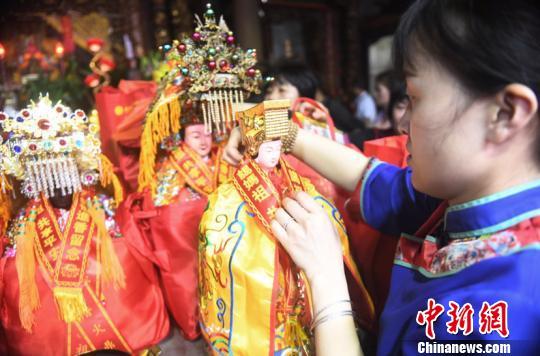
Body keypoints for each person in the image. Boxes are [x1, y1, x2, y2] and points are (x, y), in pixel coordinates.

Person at [223, 0, 540, 355]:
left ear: (505, 114)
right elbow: (370, 178)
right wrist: (278, 129)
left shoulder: (514, 299)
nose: (403, 125)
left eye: (415, 99)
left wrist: (326, 277)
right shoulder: (457, 200)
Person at [127, 3, 262, 341]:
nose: (203, 140)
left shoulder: (223, 150)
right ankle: (195, 320)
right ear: (181, 136)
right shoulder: (173, 163)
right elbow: (163, 204)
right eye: (194, 135)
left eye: (206, 132)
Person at [198, 99, 372, 355]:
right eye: (268, 147)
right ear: (254, 148)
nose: (274, 152)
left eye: (277, 146)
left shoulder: (299, 183)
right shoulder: (227, 201)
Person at [0, 95, 169, 355]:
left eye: (64, 174)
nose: (59, 186)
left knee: (119, 256)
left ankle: (128, 333)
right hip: (41, 248)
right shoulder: (28, 220)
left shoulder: (100, 206)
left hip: (94, 231)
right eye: (49, 177)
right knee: (19, 273)